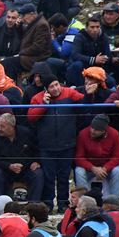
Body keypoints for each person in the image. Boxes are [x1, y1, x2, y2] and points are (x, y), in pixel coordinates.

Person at [27, 75, 85, 210]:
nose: (55, 89)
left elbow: (84, 102)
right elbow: (31, 116)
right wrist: (44, 105)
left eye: (57, 84)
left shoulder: (69, 93)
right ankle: (48, 204)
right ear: (46, 88)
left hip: (67, 144)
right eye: (51, 86)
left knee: (64, 177)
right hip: (46, 146)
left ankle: (63, 204)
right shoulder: (37, 98)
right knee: (49, 177)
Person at [0, 113, 42, 201]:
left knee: (38, 174)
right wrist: (9, 166)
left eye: (3, 126)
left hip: (25, 169)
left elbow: (37, 149)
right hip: (6, 170)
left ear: (12, 126)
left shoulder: (26, 133)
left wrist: (36, 161)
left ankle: (33, 205)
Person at [74, 114, 119, 198]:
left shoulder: (114, 134)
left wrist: (105, 168)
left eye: (96, 130)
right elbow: (79, 158)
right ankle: (83, 200)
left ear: (104, 131)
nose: (92, 131)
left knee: (118, 171)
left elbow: (117, 157)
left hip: (106, 169)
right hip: (89, 169)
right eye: (92, 127)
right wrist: (93, 168)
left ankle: (113, 201)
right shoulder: (83, 134)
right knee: (79, 171)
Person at [1, 4, 51, 80]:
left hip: (36, 58)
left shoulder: (42, 25)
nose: (22, 18)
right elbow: (24, 38)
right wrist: (19, 27)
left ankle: (10, 87)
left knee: (9, 63)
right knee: (5, 62)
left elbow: (38, 47)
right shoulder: (34, 23)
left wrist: (21, 53)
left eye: (23, 15)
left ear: (32, 14)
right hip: (28, 55)